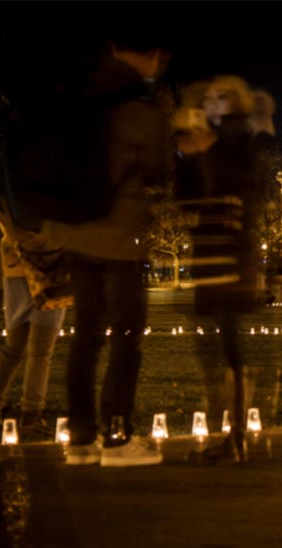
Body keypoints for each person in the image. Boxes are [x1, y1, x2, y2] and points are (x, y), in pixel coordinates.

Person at [40, 32, 172, 466]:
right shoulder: (137, 105)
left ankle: (80, 439)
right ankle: (116, 436)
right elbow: (159, 167)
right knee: (126, 339)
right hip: (119, 237)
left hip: (77, 235)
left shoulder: (73, 98)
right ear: (143, 56)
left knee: (86, 338)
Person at [175, 76, 282, 462]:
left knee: (232, 350)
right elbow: (186, 199)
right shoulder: (202, 143)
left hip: (233, 258)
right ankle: (229, 437)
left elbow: (242, 192)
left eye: (220, 98)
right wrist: (190, 153)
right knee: (212, 353)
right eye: (207, 98)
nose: (211, 104)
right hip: (206, 259)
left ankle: (235, 438)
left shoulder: (239, 142)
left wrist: (204, 151)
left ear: (235, 103)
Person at [0, 186, 69, 435]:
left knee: (13, 349)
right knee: (40, 353)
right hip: (44, 269)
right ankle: (31, 414)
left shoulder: (0, 193)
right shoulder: (36, 189)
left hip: (15, 270)